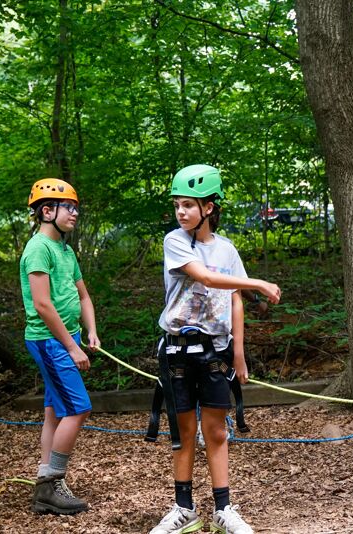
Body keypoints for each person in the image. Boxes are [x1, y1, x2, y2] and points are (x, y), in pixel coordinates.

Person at [150, 164, 281, 534]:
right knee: (184, 431)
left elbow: (234, 298)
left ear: (209, 207)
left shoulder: (226, 249)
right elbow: (206, 278)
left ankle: (224, 509)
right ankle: (184, 508)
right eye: (177, 204)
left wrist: (238, 351)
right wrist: (259, 282)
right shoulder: (174, 241)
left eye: (188, 205)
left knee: (216, 430)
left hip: (215, 353)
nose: (181, 212)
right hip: (178, 351)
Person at [20, 178, 99, 515]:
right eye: (69, 207)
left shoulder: (65, 250)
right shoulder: (38, 248)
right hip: (50, 341)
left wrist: (90, 332)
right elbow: (42, 305)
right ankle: (51, 484)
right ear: (48, 211)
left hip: (66, 339)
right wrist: (72, 347)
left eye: (76, 208)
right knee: (78, 408)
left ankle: (44, 478)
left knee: (54, 410)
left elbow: (82, 295)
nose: (75, 213)